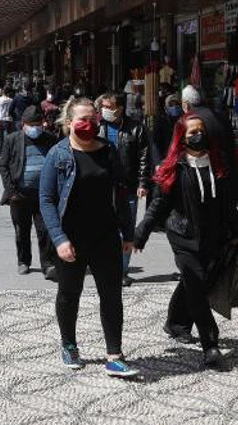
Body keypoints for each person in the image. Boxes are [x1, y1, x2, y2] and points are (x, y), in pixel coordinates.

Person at [39, 97, 139, 378]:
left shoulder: (108, 150)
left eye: (93, 119)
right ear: (69, 123)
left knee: (112, 296)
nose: (89, 124)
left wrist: (128, 233)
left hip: (105, 236)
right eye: (82, 119)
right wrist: (59, 239)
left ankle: (115, 355)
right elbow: (46, 199)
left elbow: (121, 193)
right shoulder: (58, 155)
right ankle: (69, 344)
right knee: (70, 293)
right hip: (71, 238)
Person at [133, 113, 238, 368]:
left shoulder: (218, 162)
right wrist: (140, 234)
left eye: (201, 130)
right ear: (181, 137)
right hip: (183, 236)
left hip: (214, 236)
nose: (197, 135)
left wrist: (237, 230)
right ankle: (211, 344)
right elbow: (158, 205)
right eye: (191, 132)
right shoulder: (174, 166)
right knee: (195, 283)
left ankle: (175, 323)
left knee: (196, 282)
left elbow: (228, 203)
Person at [96, 91, 151, 286]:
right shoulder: (97, 127)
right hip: (102, 187)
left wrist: (143, 183)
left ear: (119, 108)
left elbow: (145, 158)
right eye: (102, 106)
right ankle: (105, 268)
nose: (104, 110)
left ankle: (122, 271)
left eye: (108, 107)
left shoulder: (136, 129)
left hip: (127, 187)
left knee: (125, 231)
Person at [0, 106, 57, 279]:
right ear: (23, 124)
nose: (35, 127)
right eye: (31, 124)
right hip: (20, 194)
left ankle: (48, 264)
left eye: (38, 123)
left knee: (46, 230)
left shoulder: (51, 139)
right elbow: (4, 166)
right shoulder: (12, 140)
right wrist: (11, 191)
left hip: (44, 195)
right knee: (21, 230)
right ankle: (23, 261)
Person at [151, 93, 183, 165]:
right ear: (166, 108)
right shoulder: (161, 122)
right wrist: (158, 163)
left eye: (177, 104)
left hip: (182, 159)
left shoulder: (184, 120)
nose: (174, 107)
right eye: (171, 105)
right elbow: (156, 145)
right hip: (166, 159)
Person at [0, 87, 14, 154]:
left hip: (0, 120)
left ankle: (0, 149)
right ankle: (7, 150)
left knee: (1, 136)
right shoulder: (11, 100)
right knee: (8, 136)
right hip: (8, 120)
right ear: (8, 93)